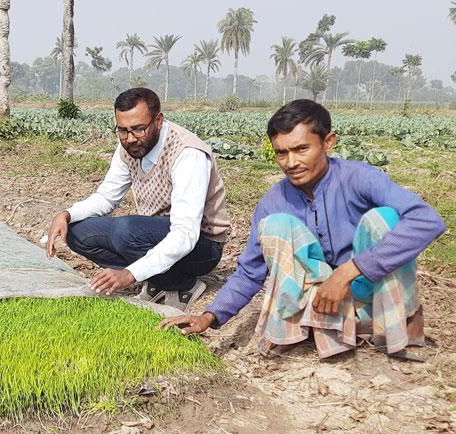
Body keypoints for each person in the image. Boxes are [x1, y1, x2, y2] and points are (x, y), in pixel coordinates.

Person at [162, 99, 446, 360]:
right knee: (276, 226)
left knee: (384, 219)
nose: (291, 162)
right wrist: (210, 316)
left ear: (328, 142)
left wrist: (350, 271)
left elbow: (427, 221)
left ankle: (394, 330)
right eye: (281, 153)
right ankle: (304, 330)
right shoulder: (274, 200)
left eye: (301, 149)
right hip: (321, 304)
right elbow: (250, 271)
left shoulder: (358, 177)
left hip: (367, 290)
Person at [45, 88, 230, 311]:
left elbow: (185, 234)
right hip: (154, 235)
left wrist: (130, 274)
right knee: (76, 232)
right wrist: (66, 214)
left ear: (158, 121)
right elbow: (106, 197)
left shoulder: (187, 154)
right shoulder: (130, 149)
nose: (130, 139)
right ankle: (157, 279)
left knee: (127, 231)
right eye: (122, 131)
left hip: (202, 245)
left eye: (138, 129)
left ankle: (183, 285)